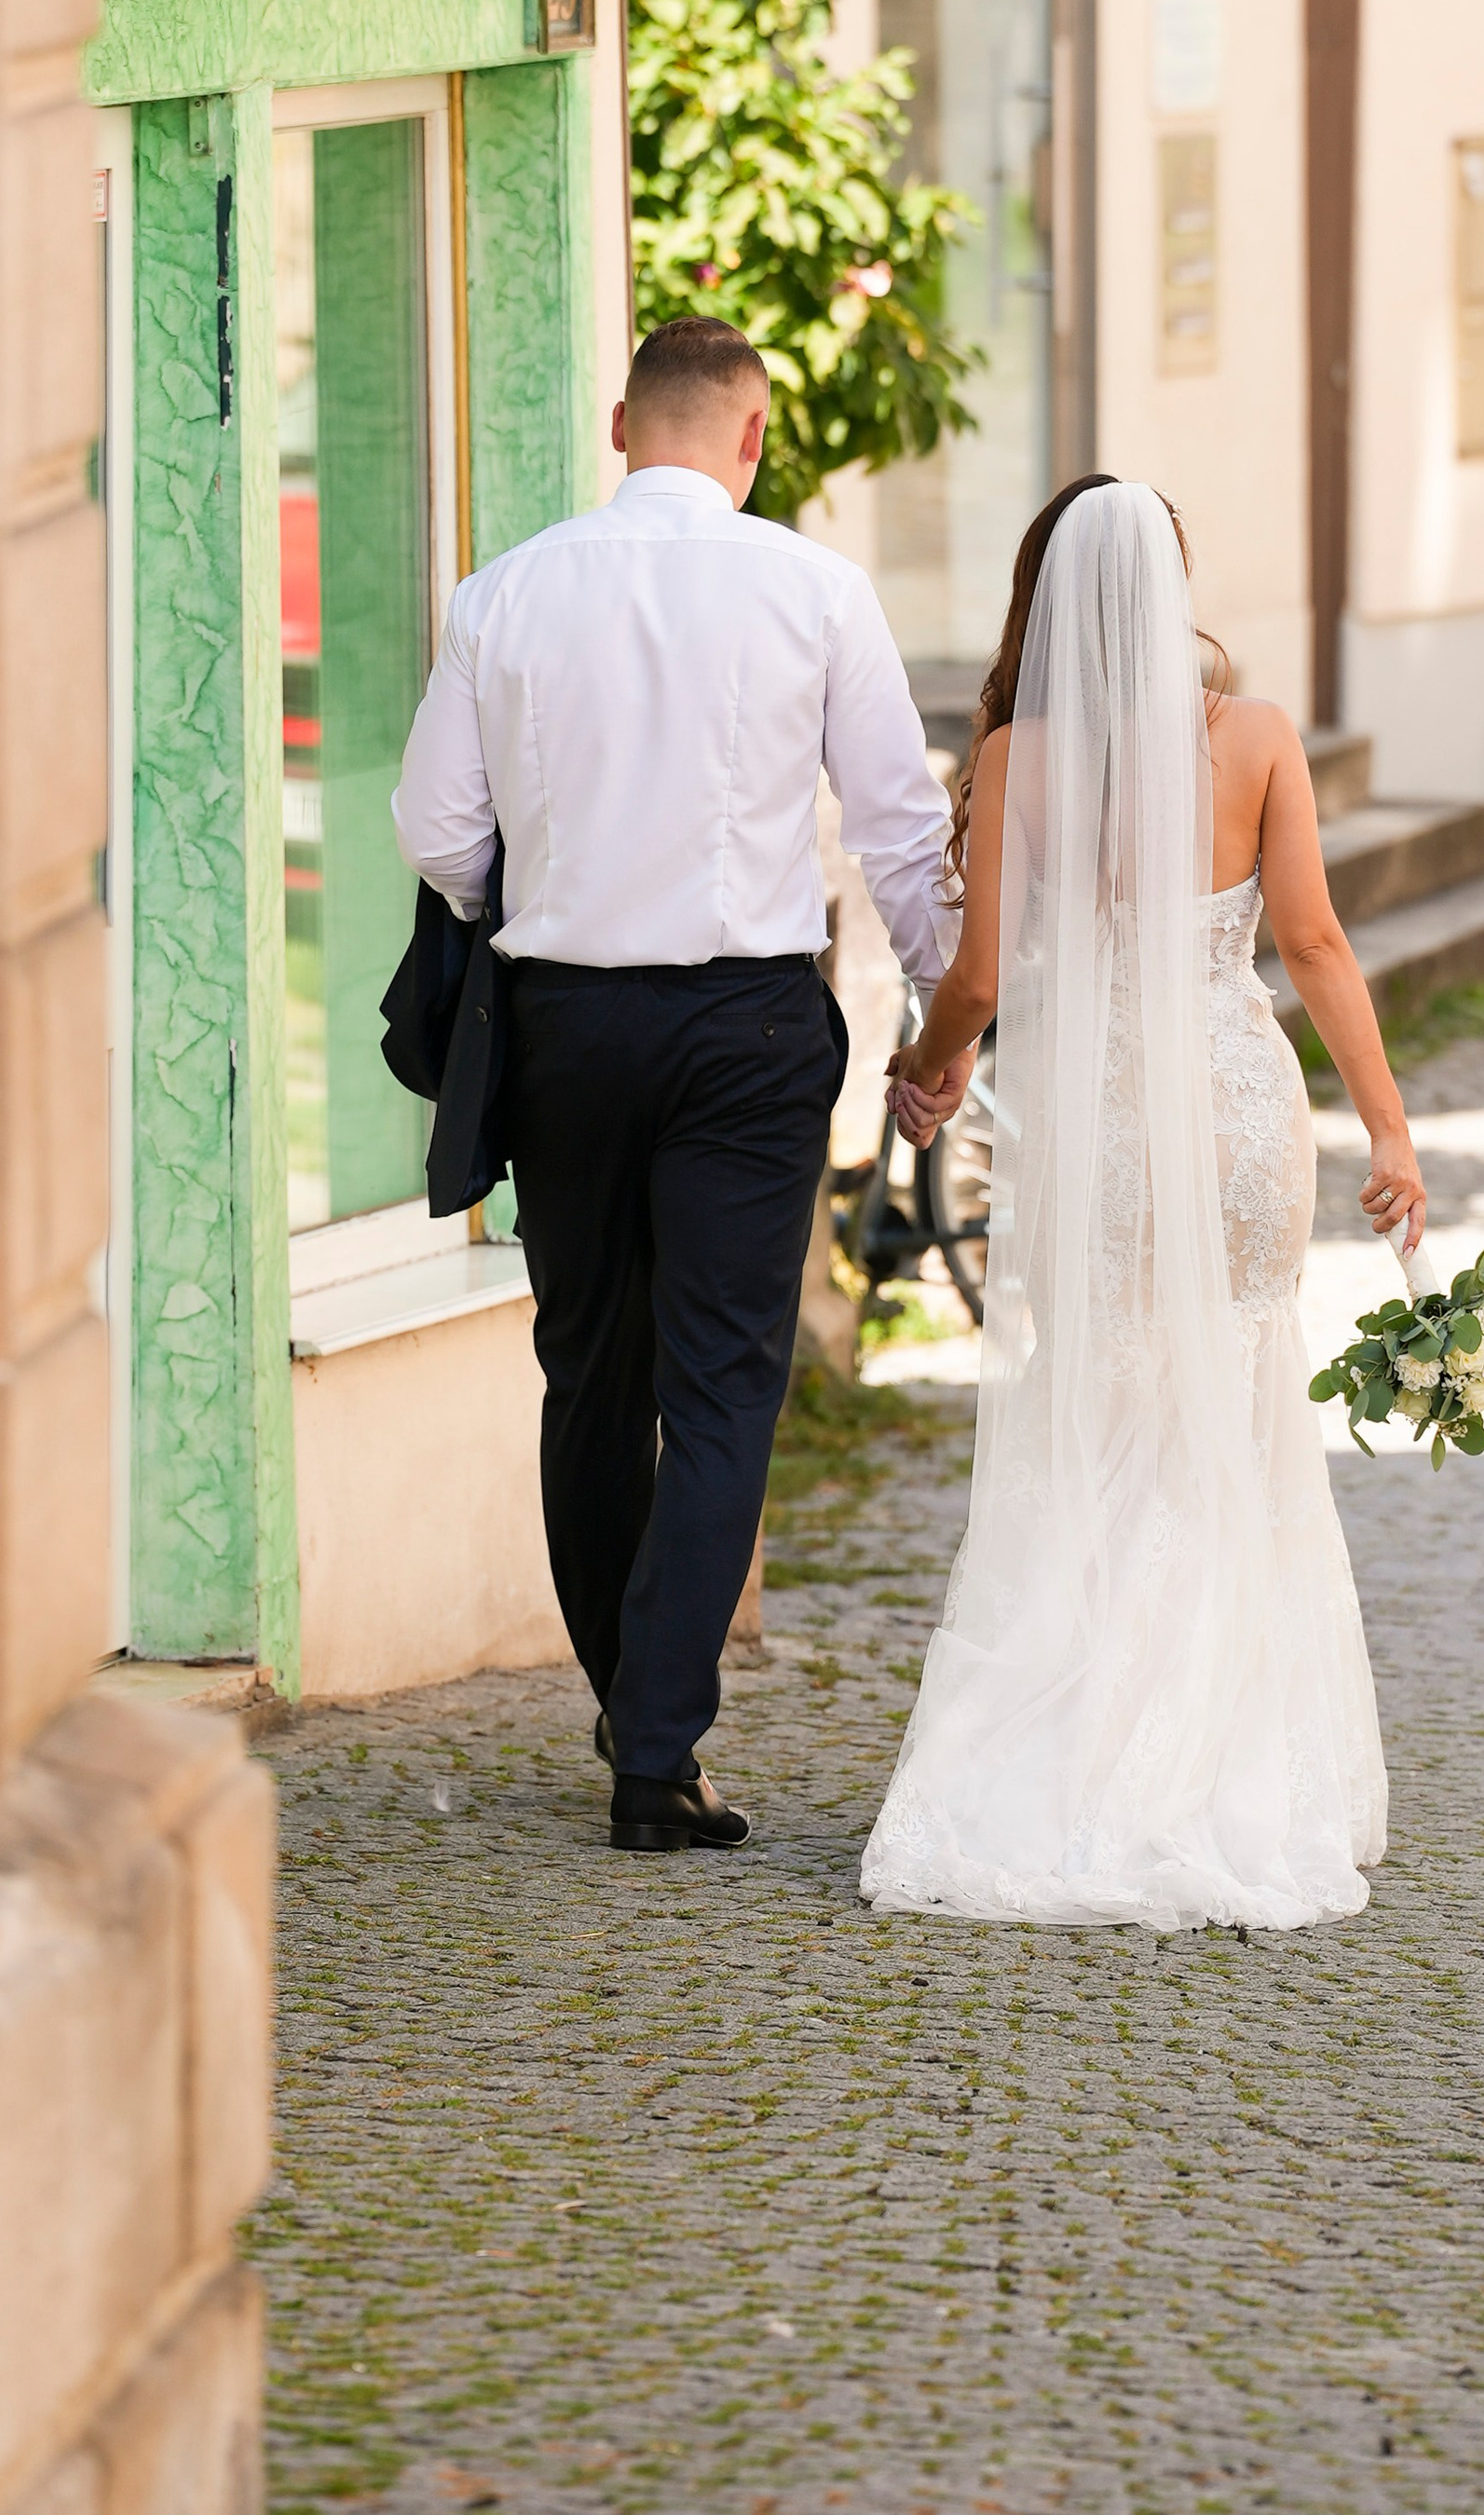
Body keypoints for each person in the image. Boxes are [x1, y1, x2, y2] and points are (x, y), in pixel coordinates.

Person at [391, 317, 955, 1854]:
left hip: (563, 1028)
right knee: (721, 1383)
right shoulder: (816, 589)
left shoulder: (504, 594)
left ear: (620, 426)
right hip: (745, 1034)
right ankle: (653, 1744)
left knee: (589, 1373)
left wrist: (543, 888)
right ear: (753, 437)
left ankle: (630, 1700)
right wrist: (942, 1022)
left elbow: (437, 832)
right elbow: (900, 829)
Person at [860, 475, 1423, 1932]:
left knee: (1102, 1398)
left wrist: (925, 1069)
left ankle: (1088, 1746)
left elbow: (979, 978)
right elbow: (1315, 943)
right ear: (1172, 584)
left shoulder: (1018, 757)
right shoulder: (1258, 738)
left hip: (1102, 1117)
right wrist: (1389, 1126)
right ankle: (1237, 1757)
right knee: (1234, 1400)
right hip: (1239, 1110)